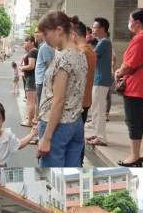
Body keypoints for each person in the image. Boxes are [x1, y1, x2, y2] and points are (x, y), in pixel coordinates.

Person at [36, 12, 88, 167]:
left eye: (46, 33)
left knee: (51, 179)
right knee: (71, 176)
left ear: (58, 30)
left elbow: (58, 100)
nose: (44, 38)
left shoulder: (63, 59)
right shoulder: (80, 54)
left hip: (57, 125)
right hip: (76, 122)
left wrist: (46, 138)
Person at [114, 8, 143, 166]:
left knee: (132, 121)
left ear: (137, 22)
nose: (128, 23)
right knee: (140, 120)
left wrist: (119, 71)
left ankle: (134, 156)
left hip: (134, 87)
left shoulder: (140, 38)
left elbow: (129, 64)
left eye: (129, 19)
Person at [70, 16, 97, 165]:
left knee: (75, 138)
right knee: (78, 135)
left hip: (78, 102)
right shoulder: (89, 50)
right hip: (84, 100)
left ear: (74, 34)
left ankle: (76, 163)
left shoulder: (81, 52)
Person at [86, 17, 113, 147]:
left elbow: (91, 56)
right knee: (96, 108)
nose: (93, 29)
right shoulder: (103, 42)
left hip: (101, 80)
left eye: (95, 27)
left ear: (102, 29)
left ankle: (101, 137)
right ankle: (98, 134)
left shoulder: (104, 42)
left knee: (99, 109)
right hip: (99, 79)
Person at [20, 36, 38, 127]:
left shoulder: (32, 52)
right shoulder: (34, 51)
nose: (25, 43)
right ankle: (32, 119)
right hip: (32, 78)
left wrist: (22, 67)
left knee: (30, 101)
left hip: (31, 78)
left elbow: (31, 66)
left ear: (32, 42)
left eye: (26, 41)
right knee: (33, 101)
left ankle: (30, 121)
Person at [34, 30, 55, 113]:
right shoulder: (43, 46)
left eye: (38, 32)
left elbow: (49, 65)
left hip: (42, 79)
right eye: (35, 32)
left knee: (41, 103)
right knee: (40, 102)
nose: (36, 34)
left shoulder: (45, 47)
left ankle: (39, 123)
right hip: (41, 79)